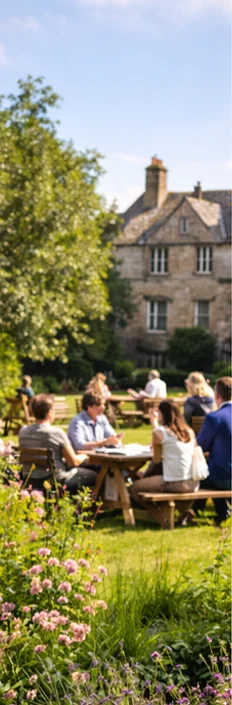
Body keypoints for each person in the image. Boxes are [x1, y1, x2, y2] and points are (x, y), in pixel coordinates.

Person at [129, 400, 198, 517]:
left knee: (133, 488)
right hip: (193, 483)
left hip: (174, 482)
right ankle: (181, 513)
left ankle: (159, 514)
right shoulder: (189, 431)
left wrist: (154, 425)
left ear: (162, 414)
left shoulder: (159, 433)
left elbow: (156, 460)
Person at [19, 394, 94, 494]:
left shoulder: (23, 431)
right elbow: (73, 462)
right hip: (55, 480)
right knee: (95, 475)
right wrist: (85, 455)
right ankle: (93, 505)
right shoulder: (56, 433)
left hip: (30, 479)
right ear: (50, 412)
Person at [190, 377, 232, 525]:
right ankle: (200, 510)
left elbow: (200, 447)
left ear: (217, 395)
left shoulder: (215, 418)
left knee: (199, 475)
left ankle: (218, 512)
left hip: (224, 478)